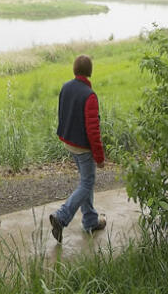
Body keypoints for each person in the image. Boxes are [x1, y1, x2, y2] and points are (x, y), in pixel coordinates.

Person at [48, 54, 106, 242]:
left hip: (69, 142)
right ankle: (61, 217)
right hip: (83, 147)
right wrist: (99, 156)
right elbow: (93, 130)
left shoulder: (66, 87)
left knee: (85, 180)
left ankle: (90, 221)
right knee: (87, 183)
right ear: (90, 71)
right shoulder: (89, 96)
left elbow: (62, 114)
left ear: (75, 69)